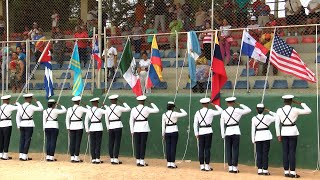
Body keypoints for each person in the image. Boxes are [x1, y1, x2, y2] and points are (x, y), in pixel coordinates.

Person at [275, 95, 312, 178]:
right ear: (291, 101)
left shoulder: (279, 110)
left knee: (285, 152)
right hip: (293, 132)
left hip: (283, 132)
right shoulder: (295, 109)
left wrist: (278, 135)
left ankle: (286, 172)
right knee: (292, 152)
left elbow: (277, 124)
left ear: (284, 101)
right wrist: (302, 103)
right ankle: (292, 172)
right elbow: (309, 111)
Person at [220, 97, 251, 173]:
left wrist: (222, 134)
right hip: (236, 131)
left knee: (228, 149)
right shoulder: (237, 110)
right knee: (235, 149)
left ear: (227, 103)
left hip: (227, 132)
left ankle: (230, 167)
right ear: (233, 102)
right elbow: (248, 110)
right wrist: (240, 104)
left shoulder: (223, 112)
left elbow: (221, 124)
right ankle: (235, 167)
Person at [194, 98, 223, 171]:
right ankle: (207, 165)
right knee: (207, 148)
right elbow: (221, 111)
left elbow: (195, 124)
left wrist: (196, 133)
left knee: (201, 149)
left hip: (201, 131)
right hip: (208, 131)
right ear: (208, 103)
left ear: (201, 104)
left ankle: (201, 165)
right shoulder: (210, 111)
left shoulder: (198, 112)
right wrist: (215, 105)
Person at [129, 95, 159, 166]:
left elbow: (131, 121)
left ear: (138, 101)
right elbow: (157, 110)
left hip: (136, 128)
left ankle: (138, 161)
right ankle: (142, 161)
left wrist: (132, 130)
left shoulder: (133, 109)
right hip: (144, 128)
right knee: (143, 144)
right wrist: (151, 103)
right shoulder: (146, 108)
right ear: (144, 101)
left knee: (137, 144)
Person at [251, 103, 278, 175]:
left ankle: (259, 169)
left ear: (256, 109)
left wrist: (253, 139)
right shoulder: (267, 117)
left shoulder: (254, 118)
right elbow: (277, 117)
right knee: (265, 153)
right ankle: (265, 170)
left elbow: (253, 130)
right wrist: (269, 111)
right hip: (266, 136)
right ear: (264, 109)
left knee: (259, 153)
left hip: (258, 137)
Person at [16, 94, 44, 161]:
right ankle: (24, 155)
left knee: (22, 140)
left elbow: (17, 117)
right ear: (29, 99)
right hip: (29, 124)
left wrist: (18, 125)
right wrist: (37, 102)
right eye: (31, 98)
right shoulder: (31, 106)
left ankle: (21, 155)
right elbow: (41, 108)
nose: (31, 100)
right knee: (27, 140)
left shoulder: (20, 106)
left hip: (22, 124)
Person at [105, 94, 131, 164]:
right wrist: (123, 103)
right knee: (117, 142)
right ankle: (116, 158)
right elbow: (128, 109)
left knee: (111, 142)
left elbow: (106, 119)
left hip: (111, 126)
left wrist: (108, 127)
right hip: (118, 125)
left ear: (110, 101)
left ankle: (111, 158)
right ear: (116, 100)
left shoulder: (107, 108)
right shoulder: (119, 107)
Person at [162, 101, 187, 168]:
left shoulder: (164, 115)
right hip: (174, 131)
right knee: (173, 147)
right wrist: (178, 108)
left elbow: (163, 126)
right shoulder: (175, 113)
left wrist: (163, 134)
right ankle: (172, 163)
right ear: (173, 107)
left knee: (168, 147)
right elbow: (185, 113)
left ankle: (168, 163)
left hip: (167, 131)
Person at [65, 96, 88, 163]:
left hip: (72, 127)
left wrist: (68, 128)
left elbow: (67, 119)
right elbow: (90, 110)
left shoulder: (69, 109)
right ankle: (76, 157)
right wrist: (85, 105)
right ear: (79, 101)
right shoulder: (81, 108)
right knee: (78, 142)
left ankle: (72, 157)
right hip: (79, 127)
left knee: (72, 142)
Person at [84, 97, 106, 164]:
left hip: (92, 128)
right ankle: (97, 159)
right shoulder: (100, 110)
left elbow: (86, 121)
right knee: (98, 144)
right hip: (99, 128)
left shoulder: (89, 110)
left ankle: (93, 158)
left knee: (92, 144)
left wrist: (87, 130)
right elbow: (108, 111)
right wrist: (104, 106)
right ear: (96, 103)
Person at [0, 95, 20, 160]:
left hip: (1, 125)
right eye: (8, 100)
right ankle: (5, 155)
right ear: (7, 100)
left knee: (1, 140)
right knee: (6, 140)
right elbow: (20, 107)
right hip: (7, 125)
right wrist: (16, 103)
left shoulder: (0, 107)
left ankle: (1, 154)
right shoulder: (9, 106)